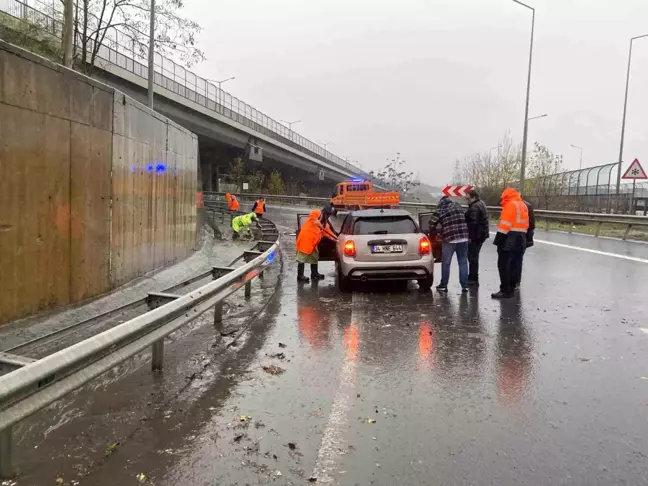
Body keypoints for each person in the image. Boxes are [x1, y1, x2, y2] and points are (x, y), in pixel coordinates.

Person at [492, 188, 529, 299]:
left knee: (503, 265)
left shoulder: (510, 205)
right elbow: (527, 223)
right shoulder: (523, 205)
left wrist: (498, 240)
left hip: (509, 238)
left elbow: (505, 225)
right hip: (521, 238)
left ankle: (505, 290)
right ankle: (512, 288)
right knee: (515, 266)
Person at [428, 196, 469, 292]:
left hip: (449, 238)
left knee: (446, 263)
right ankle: (465, 286)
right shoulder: (458, 206)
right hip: (463, 237)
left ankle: (443, 285)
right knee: (463, 262)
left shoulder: (441, 209)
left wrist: (435, 234)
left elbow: (431, 224)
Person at [464, 189, 490, 286]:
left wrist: (470, 237)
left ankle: (473, 278)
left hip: (476, 236)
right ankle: (473, 277)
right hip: (481, 234)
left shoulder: (474, 207)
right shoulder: (481, 203)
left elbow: (473, 224)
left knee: (472, 257)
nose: (467, 201)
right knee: (474, 256)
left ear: (473, 197)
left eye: (468, 198)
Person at [296, 209, 326, 283]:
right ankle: (300, 276)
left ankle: (314, 274)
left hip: (312, 244)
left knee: (314, 257)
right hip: (305, 244)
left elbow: (320, 232)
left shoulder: (315, 222)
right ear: (318, 216)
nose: (321, 216)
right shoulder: (314, 222)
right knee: (301, 259)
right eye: (320, 215)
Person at [514, 199, 536, 289]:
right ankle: (516, 282)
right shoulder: (528, 205)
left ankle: (514, 281)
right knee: (518, 260)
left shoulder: (514, 206)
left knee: (513, 260)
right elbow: (532, 224)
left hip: (517, 236)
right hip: (524, 237)